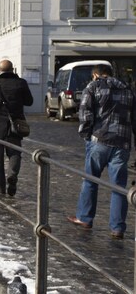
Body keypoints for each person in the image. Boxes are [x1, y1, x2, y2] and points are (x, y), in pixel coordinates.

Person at [68, 63, 136, 239]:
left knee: (90, 180)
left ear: (96, 75)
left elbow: (85, 113)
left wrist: (85, 134)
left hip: (100, 140)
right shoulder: (127, 89)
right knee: (119, 187)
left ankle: (85, 218)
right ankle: (117, 228)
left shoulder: (93, 87)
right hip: (122, 143)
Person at [0, 59, 33, 196]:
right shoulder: (21, 83)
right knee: (15, 152)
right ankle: (12, 175)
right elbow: (29, 101)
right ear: (12, 70)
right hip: (15, 123)